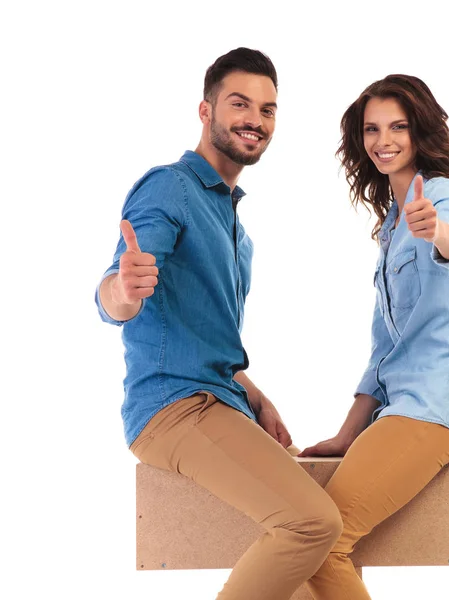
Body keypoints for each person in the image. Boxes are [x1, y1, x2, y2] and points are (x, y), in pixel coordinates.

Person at [95, 48, 342, 600]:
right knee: (312, 524)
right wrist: (123, 290)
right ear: (205, 112)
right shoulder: (170, 188)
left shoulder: (235, 225)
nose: (255, 119)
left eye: (268, 109)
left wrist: (254, 396)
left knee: (307, 579)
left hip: (220, 402)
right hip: (174, 407)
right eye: (239, 103)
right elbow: (119, 291)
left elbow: (203, 334)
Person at [298, 74, 449, 599]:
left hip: (439, 404)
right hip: (401, 407)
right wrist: (346, 435)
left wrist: (438, 233)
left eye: (398, 127)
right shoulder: (390, 226)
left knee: (316, 544)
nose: (384, 140)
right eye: (372, 129)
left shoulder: (441, 198)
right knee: (314, 543)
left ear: (420, 131)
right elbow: (385, 349)